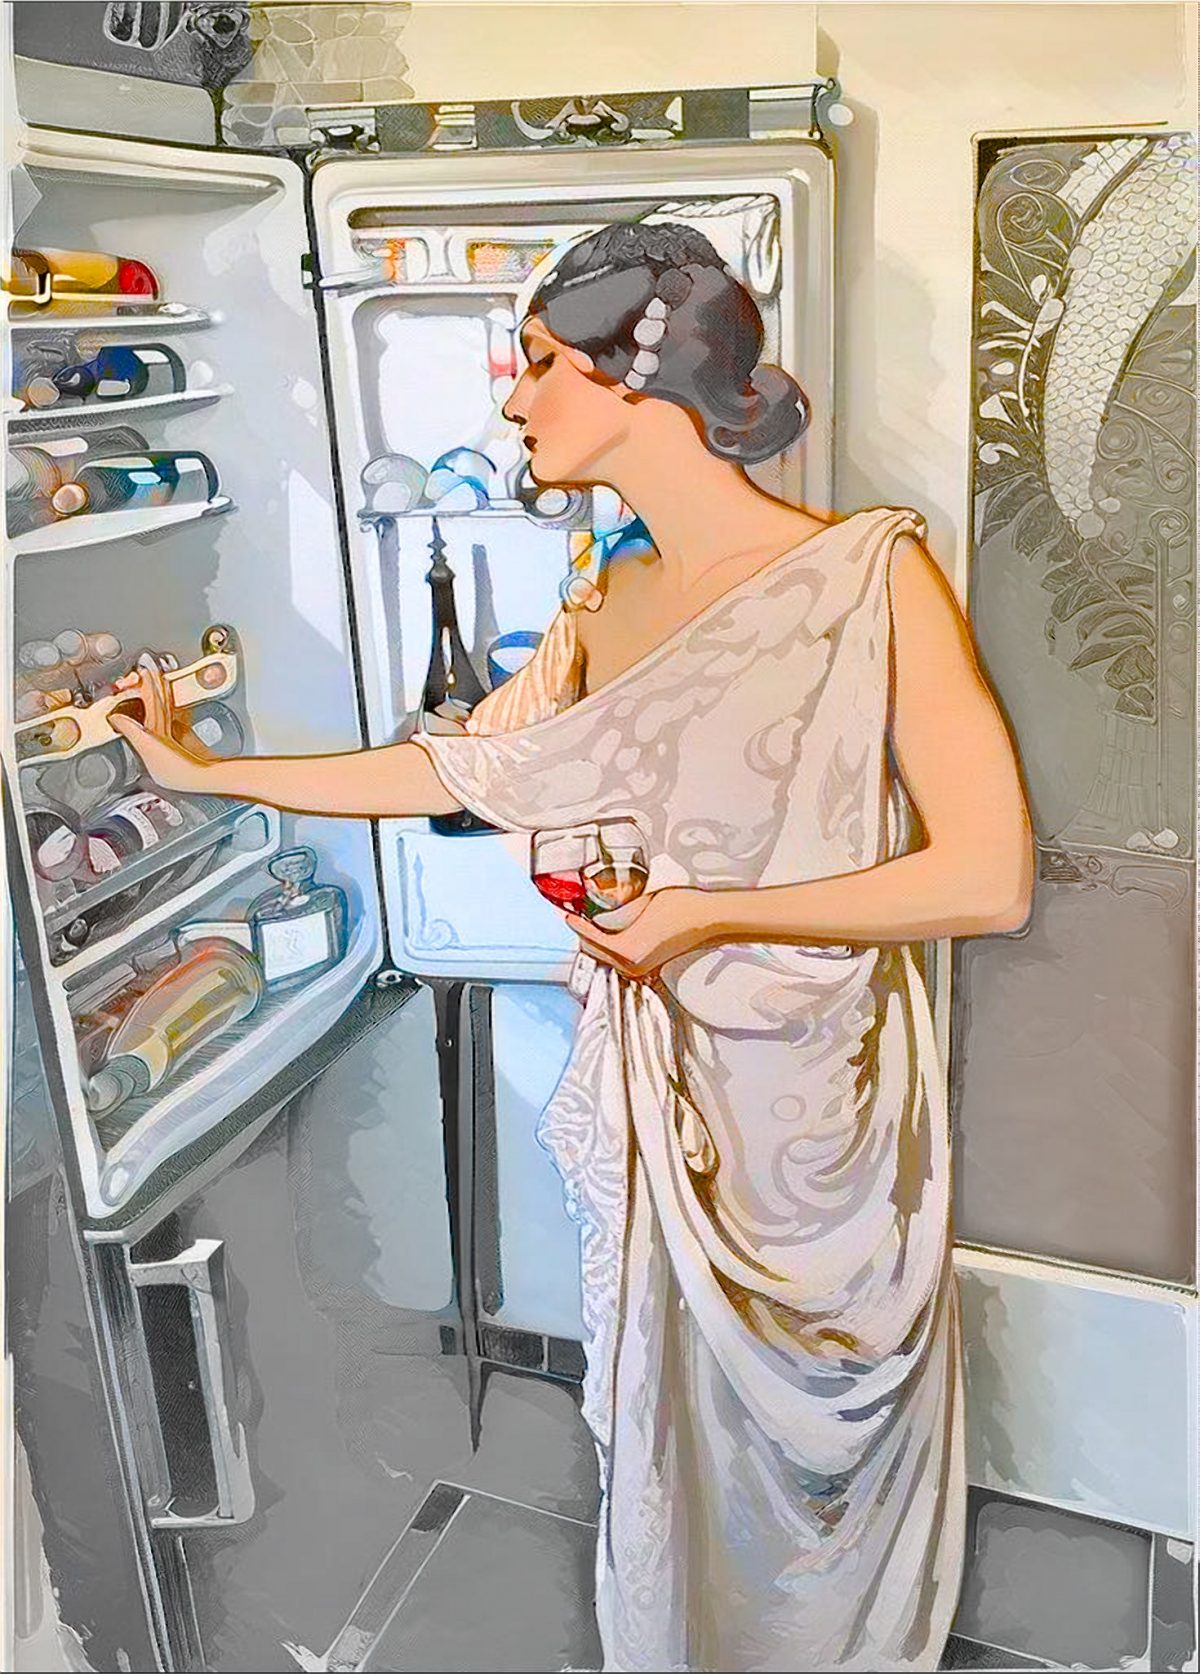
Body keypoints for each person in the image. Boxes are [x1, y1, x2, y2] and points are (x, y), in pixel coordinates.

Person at [111, 221, 1034, 1673]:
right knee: (674, 1436)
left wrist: (709, 912)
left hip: (817, 1103)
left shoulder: (869, 576)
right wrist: (218, 775)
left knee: (826, 1453)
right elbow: (457, 767)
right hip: (660, 1083)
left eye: (540, 363)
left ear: (638, 377)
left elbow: (988, 876)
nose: (513, 397)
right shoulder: (607, 594)